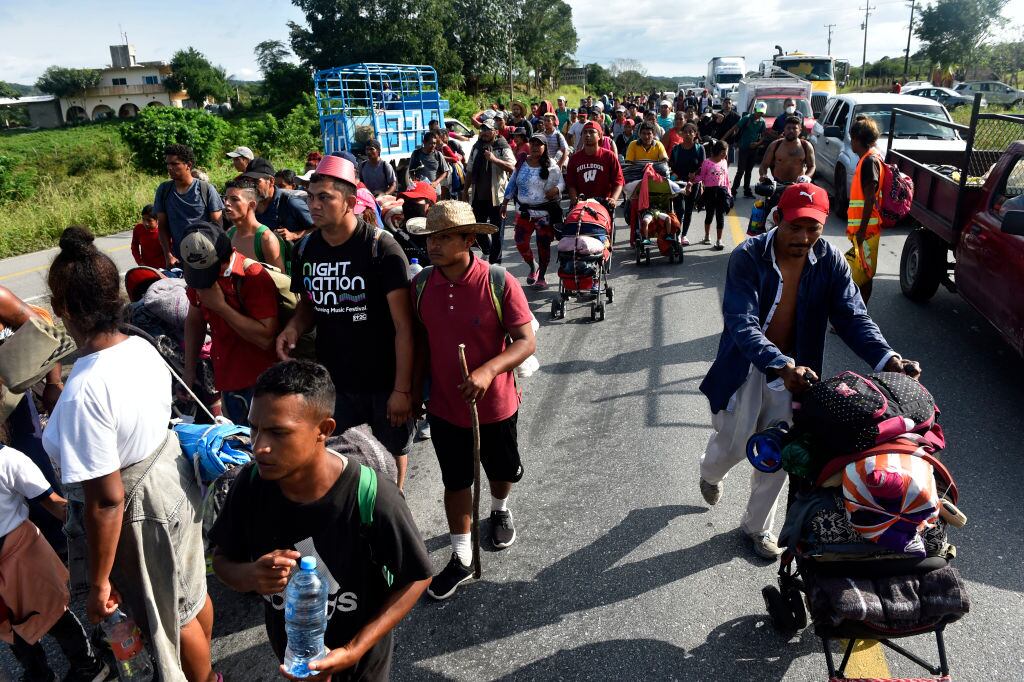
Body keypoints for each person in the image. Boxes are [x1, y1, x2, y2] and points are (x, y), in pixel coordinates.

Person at [697, 183, 920, 558]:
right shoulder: (748, 257)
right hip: (748, 367)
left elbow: (852, 316)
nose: (803, 238)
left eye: (813, 228)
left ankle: (756, 526)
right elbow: (741, 321)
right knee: (734, 446)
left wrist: (887, 358)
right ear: (778, 219)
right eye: (795, 227)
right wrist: (779, 363)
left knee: (781, 453)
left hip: (799, 375)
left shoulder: (829, 261)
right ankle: (709, 471)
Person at [42, 226, 215, 681]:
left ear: (64, 308)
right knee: (191, 595)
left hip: (138, 511)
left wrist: (99, 583)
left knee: (167, 617)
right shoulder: (137, 344)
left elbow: (106, 500)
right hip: (171, 479)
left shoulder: (85, 390)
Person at [209, 360, 432, 679]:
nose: (259, 447)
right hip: (294, 662)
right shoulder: (251, 484)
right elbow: (222, 561)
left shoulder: (372, 496)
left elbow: (416, 577)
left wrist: (353, 649)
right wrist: (251, 576)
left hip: (360, 667)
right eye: (254, 428)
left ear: (324, 430)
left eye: (278, 432)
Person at [408, 201, 536, 599]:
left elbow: (526, 341)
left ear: (469, 239)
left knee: (501, 471)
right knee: (456, 481)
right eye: (431, 237)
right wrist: (414, 392)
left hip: (496, 406)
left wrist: (487, 371)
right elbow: (419, 345)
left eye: (445, 237)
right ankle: (461, 556)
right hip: (446, 408)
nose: (434, 245)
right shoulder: (422, 286)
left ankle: (499, 509)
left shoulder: (498, 281)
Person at [278, 156, 416, 491]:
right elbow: (310, 303)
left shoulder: (381, 248)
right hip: (335, 379)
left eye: (325, 197)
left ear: (351, 204)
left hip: (383, 379)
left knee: (390, 452)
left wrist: (401, 390)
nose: (314, 204)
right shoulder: (306, 249)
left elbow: (404, 327)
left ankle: (392, 507)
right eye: (311, 196)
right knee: (340, 454)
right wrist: (294, 327)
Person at [0, 446, 110, 682]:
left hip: (21, 555)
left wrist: (98, 527)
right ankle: (38, 675)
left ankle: (89, 667)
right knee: (10, 628)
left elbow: (54, 503)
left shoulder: (8, 460)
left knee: (53, 614)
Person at [181, 221, 281, 426]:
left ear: (224, 259)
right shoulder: (201, 278)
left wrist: (221, 307)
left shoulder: (252, 277)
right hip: (227, 379)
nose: (204, 280)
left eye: (208, 272)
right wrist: (189, 370)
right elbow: (194, 320)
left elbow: (265, 339)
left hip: (261, 385)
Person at [502, 134, 564, 289]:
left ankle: (542, 277)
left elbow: (561, 182)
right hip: (524, 212)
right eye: (533, 143)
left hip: (544, 214)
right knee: (520, 243)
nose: (535, 147)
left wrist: (556, 189)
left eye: (539, 144)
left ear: (545, 147)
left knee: (543, 246)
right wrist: (505, 202)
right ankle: (532, 266)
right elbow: (512, 182)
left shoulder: (552, 165)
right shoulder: (522, 162)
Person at [154, 143, 225, 268]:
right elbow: (162, 226)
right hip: (179, 260)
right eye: (168, 164)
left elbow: (218, 226)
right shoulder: (164, 190)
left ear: (189, 165)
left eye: (175, 164)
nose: (170, 168)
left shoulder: (206, 189)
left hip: (207, 258)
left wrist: (216, 255)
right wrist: (168, 255)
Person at [464, 119, 516, 265]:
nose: (484, 133)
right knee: (477, 229)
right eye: (482, 130)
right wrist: (464, 191)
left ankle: (495, 264)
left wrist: (494, 159)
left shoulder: (502, 146)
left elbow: (512, 167)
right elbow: (469, 170)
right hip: (478, 196)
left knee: (497, 233)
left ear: (496, 131)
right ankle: (487, 250)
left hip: (498, 198)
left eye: (488, 129)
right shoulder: (476, 147)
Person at [846, 116, 885, 304]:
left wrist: (861, 232)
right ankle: (857, 315)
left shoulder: (869, 161)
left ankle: (858, 316)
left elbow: (870, 198)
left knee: (863, 275)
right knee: (860, 273)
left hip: (866, 231)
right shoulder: (870, 157)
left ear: (856, 139)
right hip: (864, 230)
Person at [242, 158, 316, 245]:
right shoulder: (249, 206)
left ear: (271, 181)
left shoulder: (291, 202)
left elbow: (319, 228)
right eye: (247, 181)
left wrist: (295, 235)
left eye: (256, 181)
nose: (251, 186)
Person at [222, 178, 287, 273]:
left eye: (234, 199)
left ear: (252, 205)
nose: (227, 203)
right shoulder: (229, 233)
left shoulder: (266, 239)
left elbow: (281, 282)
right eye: (226, 198)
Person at [759, 116, 817, 218]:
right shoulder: (775, 145)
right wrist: (763, 175)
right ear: (784, 129)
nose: (791, 131)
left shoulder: (806, 146)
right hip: (778, 187)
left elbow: (812, 166)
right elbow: (764, 165)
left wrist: (807, 177)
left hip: (797, 187)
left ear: (800, 130)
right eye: (788, 128)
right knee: (771, 217)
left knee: (796, 218)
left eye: (794, 128)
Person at [565, 121, 624, 209]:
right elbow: (571, 183)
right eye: (585, 132)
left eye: (591, 132)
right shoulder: (574, 158)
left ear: (600, 136)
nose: (587, 135)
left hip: (604, 204)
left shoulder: (609, 156)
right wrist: (574, 198)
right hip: (580, 204)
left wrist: (613, 199)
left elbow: (619, 181)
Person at [668, 122, 705, 246]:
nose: (688, 134)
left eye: (691, 132)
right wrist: (674, 175)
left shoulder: (700, 148)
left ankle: (684, 235)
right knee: (680, 209)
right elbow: (670, 165)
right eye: (686, 132)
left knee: (688, 209)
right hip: (678, 183)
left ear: (695, 134)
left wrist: (695, 173)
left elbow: (703, 166)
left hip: (693, 183)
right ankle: (677, 235)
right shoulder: (676, 149)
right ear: (681, 134)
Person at [694, 138, 731, 250]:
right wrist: (692, 180)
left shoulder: (724, 162)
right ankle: (707, 236)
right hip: (709, 192)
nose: (725, 155)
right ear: (718, 151)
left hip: (721, 192)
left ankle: (719, 240)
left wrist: (729, 192)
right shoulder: (707, 162)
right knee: (709, 215)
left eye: (726, 153)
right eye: (723, 152)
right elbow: (701, 176)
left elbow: (726, 178)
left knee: (720, 216)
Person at [724, 101, 767, 198]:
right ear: (755, 110)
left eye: (762, 113)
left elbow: (764, 136)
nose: (759, 114)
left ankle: (747, 190)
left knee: (749, 171)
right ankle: (733, 191)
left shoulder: (762, 122)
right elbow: (733, 129)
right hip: (743, 149)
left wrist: (757, 143)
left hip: (753, 149)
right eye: (758, 112)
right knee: (740, 171)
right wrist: (723, 139)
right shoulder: (746, 119)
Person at [131, 203, 164, 268]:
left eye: (149, 220)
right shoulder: (138, 229)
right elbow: (134, 247)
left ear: (157, 220)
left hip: (163, 268)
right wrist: (139, 262)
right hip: (147, 268)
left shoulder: (164, 231)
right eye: (143, 219)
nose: (145, 223)